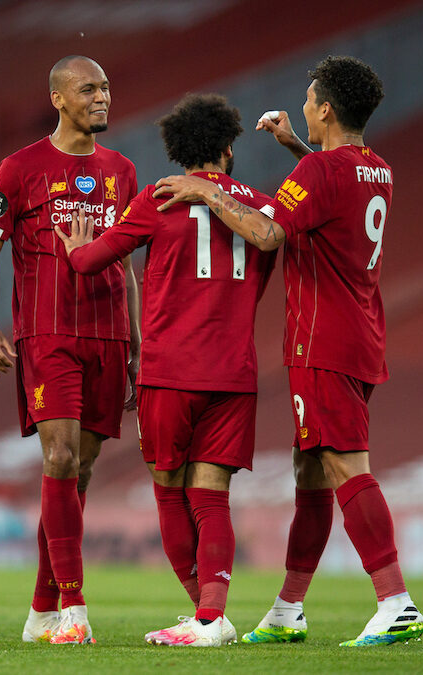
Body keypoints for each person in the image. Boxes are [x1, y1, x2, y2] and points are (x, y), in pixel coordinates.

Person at [153, 55, 423, 647]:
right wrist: (295, 146)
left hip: (321, 339)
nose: (302, 104)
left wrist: (204, 187)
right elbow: (328, 191)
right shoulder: (374, 168)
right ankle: (288, 608)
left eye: (308, 99)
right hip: (361, 333)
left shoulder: (325, 172)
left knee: (345, 467)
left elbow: (269, 231)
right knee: (312, 472)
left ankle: (395, 599)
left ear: (325, 108)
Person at [56, 94, 277, 647]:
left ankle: (204, 616)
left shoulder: (157, 199)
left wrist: (73, 247)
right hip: (233, 372)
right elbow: (275, 241)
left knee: (168, 492)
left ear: (179, 152)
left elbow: (88, 264)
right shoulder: (262, 208)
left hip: (168, 371)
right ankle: (210, 616)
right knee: (211, 496)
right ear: (228, 149)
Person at [0, 55, 140, 645]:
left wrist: (138, 350)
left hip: (109, 335)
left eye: (106, 88)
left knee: (81, 473)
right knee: (61, 460)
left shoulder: (122, 171)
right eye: (89, 89)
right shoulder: (19, 169)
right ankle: (73, 608)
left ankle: (42, 607)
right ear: (59, 99)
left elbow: (128, 264)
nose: (102, 98)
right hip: (47, 337)